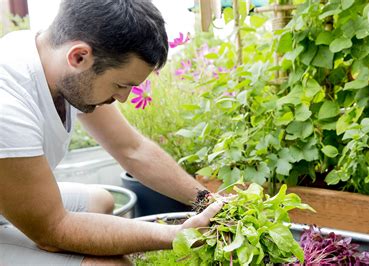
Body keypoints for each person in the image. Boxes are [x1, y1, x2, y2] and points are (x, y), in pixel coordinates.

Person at [0, 0, 222, 264]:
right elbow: (52, 230)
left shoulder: (55, 59)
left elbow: (132, 149)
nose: (125, 98)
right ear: (79, 57)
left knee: (101, 201)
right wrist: (179, 234)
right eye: (120, 84)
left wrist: (207, 200)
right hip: (25, 216)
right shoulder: (8, 105)